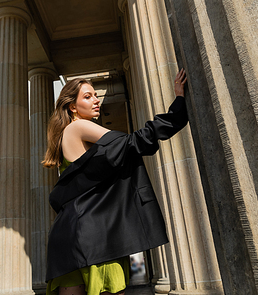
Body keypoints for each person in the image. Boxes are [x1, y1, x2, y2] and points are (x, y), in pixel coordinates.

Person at [42, 69, 188, 295]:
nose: (96, 100)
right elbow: (129, 143)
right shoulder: (78, 126)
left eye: (95, 95)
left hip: (68, 234)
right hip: (95, 236)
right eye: (87, 96)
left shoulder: (67, 135)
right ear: (72, 106)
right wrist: (178, 106)